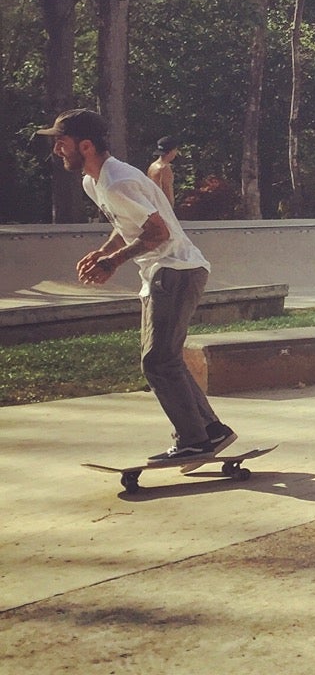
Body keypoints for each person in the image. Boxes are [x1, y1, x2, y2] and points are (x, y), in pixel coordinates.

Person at [40, 109, 234, 462]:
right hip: (166, 271)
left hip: (175, 269)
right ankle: (210, 430)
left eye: (61, 142)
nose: (57, 150)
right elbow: (131, 225)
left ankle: (193, 439)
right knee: (165, 359)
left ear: (85, 146)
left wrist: (114, 262)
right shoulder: (94, 181)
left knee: (157, 361)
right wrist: (104, 251)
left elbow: (158, 232)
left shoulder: (116, 180)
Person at [147, 136, 182, 205]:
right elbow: (167, 191)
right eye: (175, 150)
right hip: (163, 207)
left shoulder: (152, 166)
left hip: (153, 205)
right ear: (170, 151)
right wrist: (170, 211)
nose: (176, 153)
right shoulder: (164, 168)